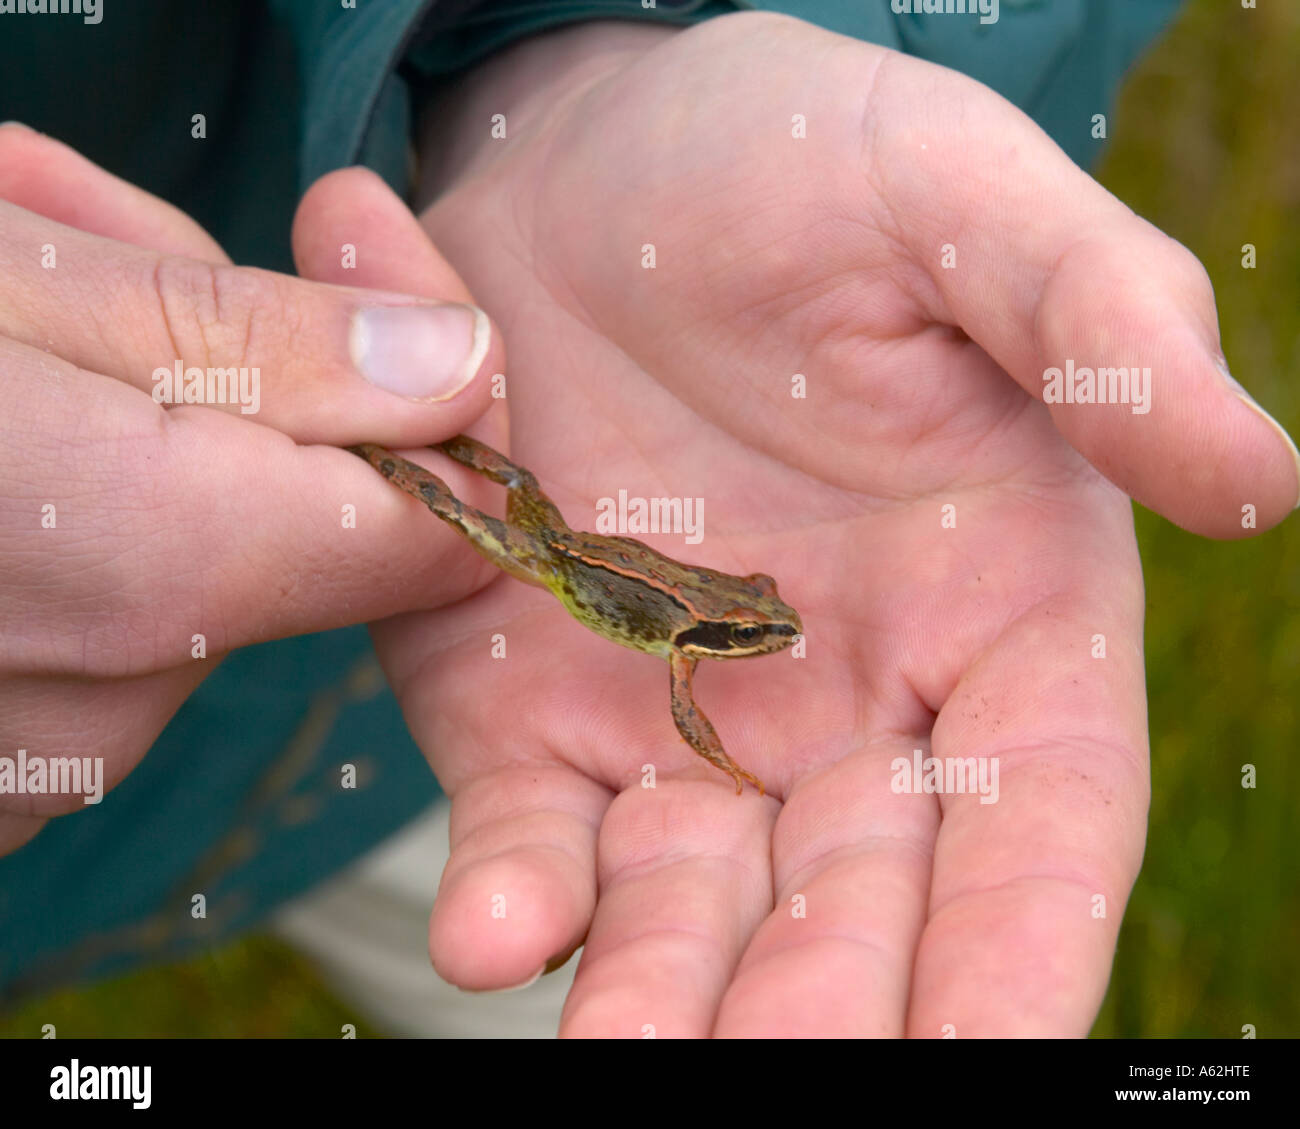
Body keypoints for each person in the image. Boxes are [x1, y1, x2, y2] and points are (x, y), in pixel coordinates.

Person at [1, 0, 1294, 1036]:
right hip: (556, 581)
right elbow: (682, 701)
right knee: (462, 522)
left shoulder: (708, 627)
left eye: (751, 628)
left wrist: (563, 47)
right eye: (750, 631)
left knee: (637, 950)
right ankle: (390, 462)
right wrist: (728, 762)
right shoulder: (686, 653)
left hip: (405, 747)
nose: (758, 636)